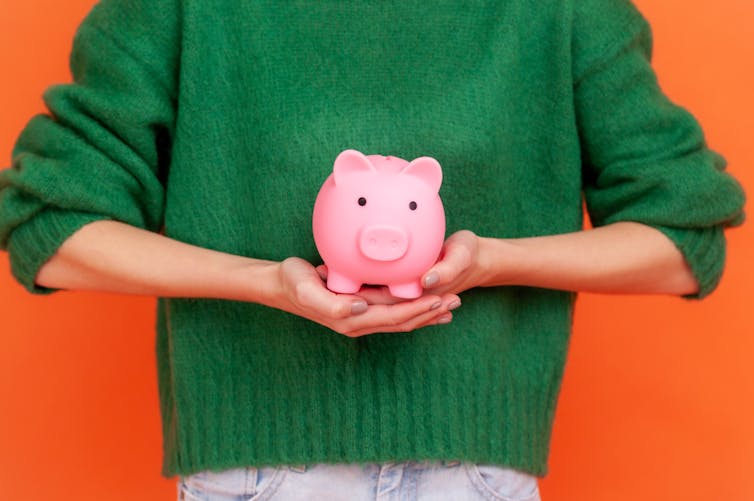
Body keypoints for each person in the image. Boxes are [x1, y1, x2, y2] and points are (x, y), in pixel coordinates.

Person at [0, 0, 745, 500]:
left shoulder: (559, 12)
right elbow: (52, 230)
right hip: (259, 475)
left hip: (474, 476)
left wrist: (490, 260)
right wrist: (270, 282)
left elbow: (683, 240)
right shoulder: (183, 11)